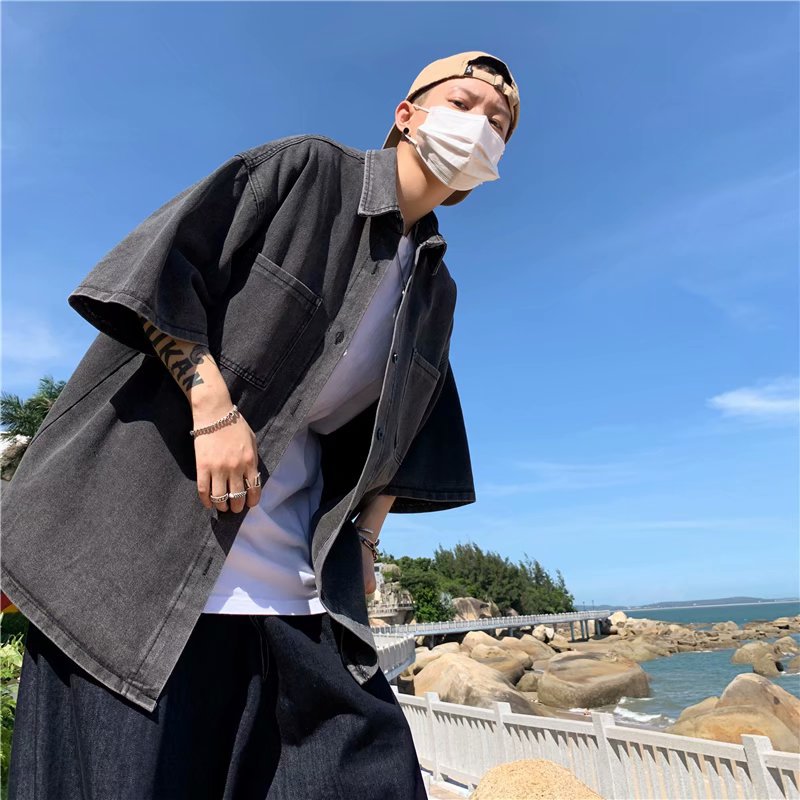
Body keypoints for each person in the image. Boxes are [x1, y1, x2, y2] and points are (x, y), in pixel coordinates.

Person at [3, 51, 520, 799]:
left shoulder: (434, 289)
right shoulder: (306, 170)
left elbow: (415, 426)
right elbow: (160, 268)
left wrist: (366, 538)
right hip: (136, 575)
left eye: (499, 123)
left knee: (375, 775)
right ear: (407, 115)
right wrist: (212, 408)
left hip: (298, 593)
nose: (481, 126)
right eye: (464, 103)